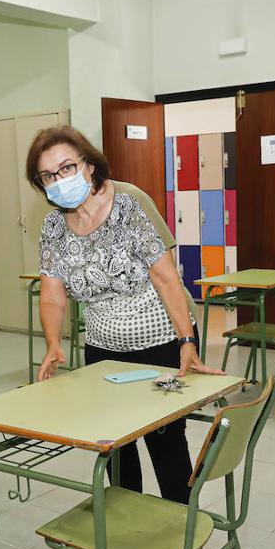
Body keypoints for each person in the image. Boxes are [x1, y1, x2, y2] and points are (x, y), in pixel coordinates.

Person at [29, 125, 222, 506]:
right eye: (48, 175)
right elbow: (52, 292)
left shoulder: (129, 202)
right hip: (103, 348)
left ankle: (183, 536)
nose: (59, 180)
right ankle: (124, 537)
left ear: (88, 164)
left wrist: (187, 339)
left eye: (66, 167)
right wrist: (53, 344)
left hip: (162, 339)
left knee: (165, 442)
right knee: (115, 446)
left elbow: (165, 276)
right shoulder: (53, 226)